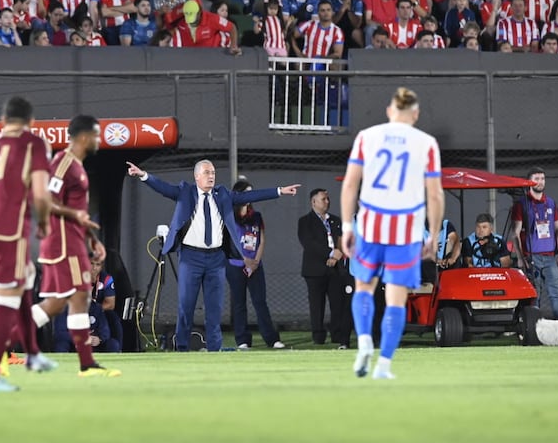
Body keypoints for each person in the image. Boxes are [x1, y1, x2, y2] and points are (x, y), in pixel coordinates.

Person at [126, 160, 300, 352]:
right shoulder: (185, 192)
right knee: (186, 307)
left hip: (216, 258)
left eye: (213, 173)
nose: (211, 176)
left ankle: (214, 350)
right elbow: (163, 188)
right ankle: (181, 348)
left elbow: (249, 195)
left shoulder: (222, 194)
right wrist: (143, 175)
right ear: (197, 176)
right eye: (207, 172)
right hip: (191, 257)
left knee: (214, 309)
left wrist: (279, 191)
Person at [341, 87, 444, 379]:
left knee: (364, 289)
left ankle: (363, 342)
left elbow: (350, 186)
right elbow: (434, 195)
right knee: (396, 300)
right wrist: (433, 234)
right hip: (406, 229)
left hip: (371, 223)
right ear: (416, 114)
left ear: (389, 111)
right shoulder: (426, 143)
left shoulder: (366, 136)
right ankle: (384, 365)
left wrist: (348, 226)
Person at [0, 96, 55, 392]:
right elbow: (41, 193)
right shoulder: (33, 142)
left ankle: (33, 353)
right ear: (31, 121)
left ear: (2, 119)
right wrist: (44, 223)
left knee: (25, 278)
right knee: (7, 297)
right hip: (7, 228)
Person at [29, 114, 120, 377]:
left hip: (75, 241)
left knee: (61, 302)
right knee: (78, 296)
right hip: (62, 243)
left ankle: (3, 346)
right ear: (83, 137)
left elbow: (76, 210)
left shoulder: (78, 167)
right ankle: (86, 363)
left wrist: (92, 240)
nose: (99, 140)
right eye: (96, 135)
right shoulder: (64, 161)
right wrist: (75, 217)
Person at [226, 179, 284, 350]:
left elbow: (261, 239)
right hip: (236, 265)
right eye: (246, 192)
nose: (250, 196)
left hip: (255, 266)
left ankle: (272, 339)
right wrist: (245, 261)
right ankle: (242, 340)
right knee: (239, 303)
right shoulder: (229, 215)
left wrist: (255, 262)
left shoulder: (256, 216)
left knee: (260, 302)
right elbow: (227, 242)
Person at [298, 188, 353, 348]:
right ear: (313, 202)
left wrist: (337, 254)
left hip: (336, 269)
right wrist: (330, 253)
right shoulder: (305, 222)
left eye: (327, 199)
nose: (327, 202)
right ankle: (318, 335)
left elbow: (342, 239)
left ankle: (337, 333)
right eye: (323, 199)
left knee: (338, 302)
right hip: (314, 269)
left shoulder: (335, 220)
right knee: (316, 304)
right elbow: (309, 244)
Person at [510, 166, 558, 320]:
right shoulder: (522, 204)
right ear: (529, 182)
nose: (540, 182)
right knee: (534, 294)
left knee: (556, 293)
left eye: (542, 178)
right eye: (536, 179)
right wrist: (521, 258)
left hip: (550, 257)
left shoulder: (551, 202)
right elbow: (515, 233)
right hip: (531, 257)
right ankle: (533, 329)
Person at [176, 0, 241, 54]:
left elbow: (232, 27)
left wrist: (233, 45)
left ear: (200, 12)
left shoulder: (213, 18)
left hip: (214, 54)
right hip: (191, 55)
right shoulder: (181, 23)